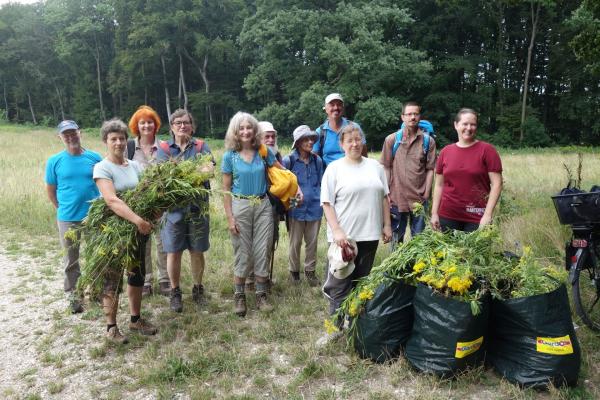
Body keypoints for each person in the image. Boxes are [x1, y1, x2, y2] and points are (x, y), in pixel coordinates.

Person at [319, 123, 392, 346]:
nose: (355, 144)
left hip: (369, 235)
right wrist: (337, 231)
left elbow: (384, 198)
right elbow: (327, 203)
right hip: (344, 238)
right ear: (341, 145)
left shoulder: (375, 167)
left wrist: (387, 225)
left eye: (358, 139)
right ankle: (334, 328)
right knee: (339, 283)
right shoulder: (334, 169)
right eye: (349, 140)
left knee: (361, 282)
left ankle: (355, 324)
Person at [93, 118, 157, 343]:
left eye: (121, 138)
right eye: (113, 139)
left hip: (137, 232)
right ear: (106, 141)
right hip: (114, 231)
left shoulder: (136, 166)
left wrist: (152, 216)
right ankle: (111, 327)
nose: (118, 143)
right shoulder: (102, 167)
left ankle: (135, 319)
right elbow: (112, 200)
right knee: (112, 278)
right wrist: (138, 220)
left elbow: (147, 196)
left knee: (136, 275)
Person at [222, 112, 288, 317]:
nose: (245, 131)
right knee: (242, 251)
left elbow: (280, 171)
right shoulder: (229, 156)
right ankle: (239, 296)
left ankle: (261, 295)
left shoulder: (263, 150)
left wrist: (295, 188)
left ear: (254, 130)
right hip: (240, 205)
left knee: (262, 248)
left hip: (263, 205)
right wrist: (230, 217)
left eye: (249, 127)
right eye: (241, 128)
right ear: (235, 131)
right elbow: (225, 190)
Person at [157, 109, 214, 313]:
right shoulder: (163, 148)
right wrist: (193, 174)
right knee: (173, 251)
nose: (182, 126)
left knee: (197, 251)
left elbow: (209, 170)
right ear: (171, 126)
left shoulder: (201, 146)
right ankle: (175, 291)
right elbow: (164, 178)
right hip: (173, 211)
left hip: (198, 208)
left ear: (192, 126)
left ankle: (198, 288)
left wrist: (180, 175)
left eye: (186, 123)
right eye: (178, 122)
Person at [45, 120, 102, 313]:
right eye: (65, 134)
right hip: (68, 218)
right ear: (59, 137)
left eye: (73, 133)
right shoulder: (54, 161)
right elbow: (51, 191)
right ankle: (74, 297)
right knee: (71, 260)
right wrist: (62, 209)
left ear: (80, 132)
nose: (70, 137)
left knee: (96, 256)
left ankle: (96, 293)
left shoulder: (95, 158)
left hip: (94, 217)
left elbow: (104, 184)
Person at [430, 108, 503, 233]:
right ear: (456, 125)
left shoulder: (487, 150)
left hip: (477, 217)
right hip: (447, 216)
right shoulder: (445, 152)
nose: (469, 128)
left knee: (477, 252)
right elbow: (439, 185)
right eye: (465, 124)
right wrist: (434, 213)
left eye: (473, 124)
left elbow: (497, 184)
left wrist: (487, 215)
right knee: (448, 253)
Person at [127, 105, 170, 297]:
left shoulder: (164, 147)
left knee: (163, 243)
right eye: (142, 122)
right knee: (142, 244)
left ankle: (165, 279)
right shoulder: (128, 146)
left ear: (156, 124)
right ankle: (146, 281)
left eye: (150, 122)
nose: (146, 126)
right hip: (137, 203)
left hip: (160, 203)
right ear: (137, 125)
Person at [380, 102, 436, 246]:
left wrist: (427, 193)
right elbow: (385, 167)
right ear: (402, 117)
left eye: (415, 114)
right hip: (396, 198)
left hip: (419, 199)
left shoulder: (428, 141)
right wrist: (387, 193)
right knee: (396, 240)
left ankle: (416, 268)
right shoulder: (392, 140)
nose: (412, 117)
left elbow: (430, 169)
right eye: (409, 114)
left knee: (419, 241)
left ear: (419, 116)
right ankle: (395, 269)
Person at [282, 125, 323, 287]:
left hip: (315, 208)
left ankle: (310, 272)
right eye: (306, 139)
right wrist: (292, 204)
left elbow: (320, 183)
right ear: (298, 142)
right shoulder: (288, 160)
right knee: (295, 243)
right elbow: (284, 189)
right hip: (295, 210)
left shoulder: (318, 160)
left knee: (312, 243)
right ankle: (294, 273)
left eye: (311, 138)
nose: (310, 142)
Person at [245, 120, 284, 292]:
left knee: (269, 242)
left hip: (274, 205)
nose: (270, 139)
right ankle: (249, 279)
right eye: (266, 136)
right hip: (254, 204)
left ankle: (264, 277)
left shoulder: (277, 155)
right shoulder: (250, 155)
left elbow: (283, 176)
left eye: (273, 136)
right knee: (251, 243)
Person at [312, 93, 367, 167]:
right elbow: (314, 160)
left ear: (343, 108)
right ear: (326, 108)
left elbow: (364, 154)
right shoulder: (320, 132)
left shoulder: (354, 128)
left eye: (339, 104)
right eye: (332, 105)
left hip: (353, 172)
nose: (336, 108)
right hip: (329, 174)